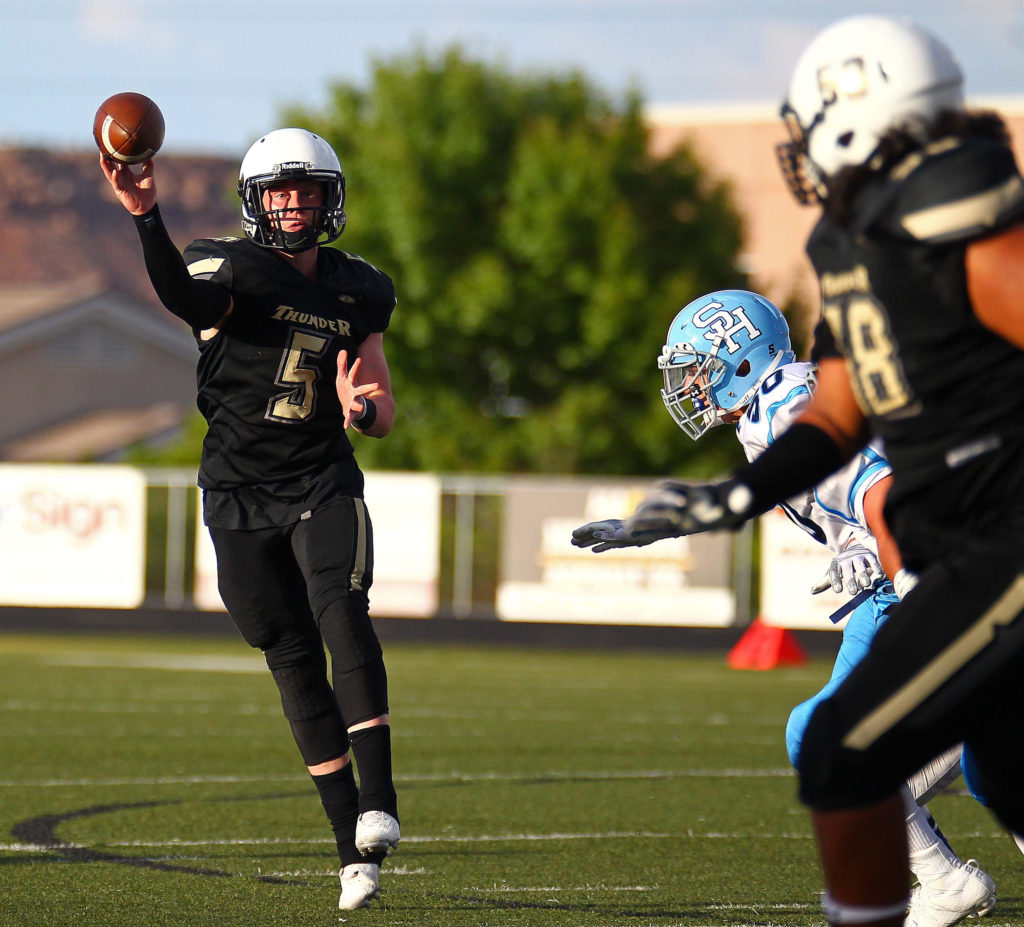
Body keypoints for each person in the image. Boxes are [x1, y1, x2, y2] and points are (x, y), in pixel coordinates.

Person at [611, 15, 1024, 927]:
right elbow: (845, 429)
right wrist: (700, 510)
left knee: (836, 738)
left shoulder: (965, 229)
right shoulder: (849, 273)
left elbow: (876, 481)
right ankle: (946, 877)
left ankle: (946, 880)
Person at [572, 289, 996, 926]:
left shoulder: (787, 410)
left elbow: (888, 496)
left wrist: (902, 578)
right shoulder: (773, 406)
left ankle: (946, 882)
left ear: (738, 359)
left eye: (697, 365)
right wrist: (652, 527)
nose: (688, 383)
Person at [100, 127, 400, 911]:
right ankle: (350, 858)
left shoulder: (359, 288)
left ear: (331, 199)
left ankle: (381, 804)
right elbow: (183, 296)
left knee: (343, 611)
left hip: (319, 478)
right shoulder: (225, 264)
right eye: (279, 191)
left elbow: (379, 405)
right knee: (290, 657)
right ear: (255, 201)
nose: (293, 204)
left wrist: (360, 406)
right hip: (236, 492)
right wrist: (144, 216)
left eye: (306, 191)